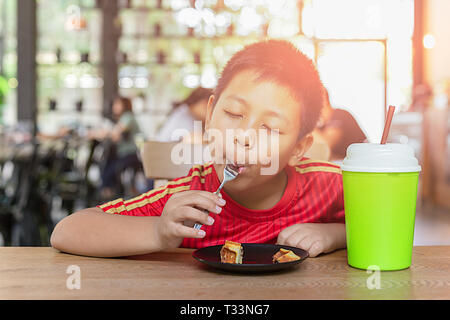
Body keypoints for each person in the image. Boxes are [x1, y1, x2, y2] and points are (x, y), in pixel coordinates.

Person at [51, 40, 346, 259]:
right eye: (233, 113)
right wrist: (158, 232)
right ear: (210, 113)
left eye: (270, 128)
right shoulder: (188, 200)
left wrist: (336, 234)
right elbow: (67, 231)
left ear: (298, 148)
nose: (243, 137)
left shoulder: (330, 184)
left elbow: (393, 222)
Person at [89, 96, 142, 200]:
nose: (114, 106)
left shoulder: (128, 116)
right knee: (106, 165)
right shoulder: (123, 118)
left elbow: (115, 133)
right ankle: (108, 193)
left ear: (125, 105)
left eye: (117, 104)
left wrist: (98, 133)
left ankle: (108, 196)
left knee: (108, 170)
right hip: (123, 154)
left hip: (130, 155)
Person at [313, 89, 367, 161]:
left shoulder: (340, 115)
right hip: (346, 163)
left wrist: (307, 123)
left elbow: (325, 145)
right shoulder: (320, 127)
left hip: (363, 163)